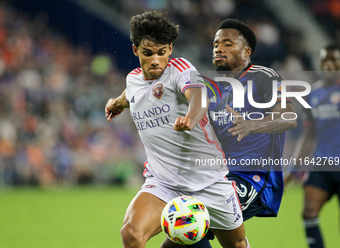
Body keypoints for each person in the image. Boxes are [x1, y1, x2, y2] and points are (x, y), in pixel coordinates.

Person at [106, 18, 296, 248]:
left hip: (245, 177)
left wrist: (252, 125)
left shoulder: (263, 77)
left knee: (193, 232)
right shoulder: (212, 84)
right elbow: (142, 89)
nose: (218, 48)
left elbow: (290, 117)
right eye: (216, 44)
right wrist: (118, 102)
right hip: (174, 178)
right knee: (154, 235)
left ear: (246, 51)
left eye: (227, 43)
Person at [285, 43, 340, 248]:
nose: (329, 64)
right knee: (309, 212)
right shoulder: (313, 95)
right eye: (325, 59)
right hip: (322, 162)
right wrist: (294, 168)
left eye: (335, 60)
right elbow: (309, 135)